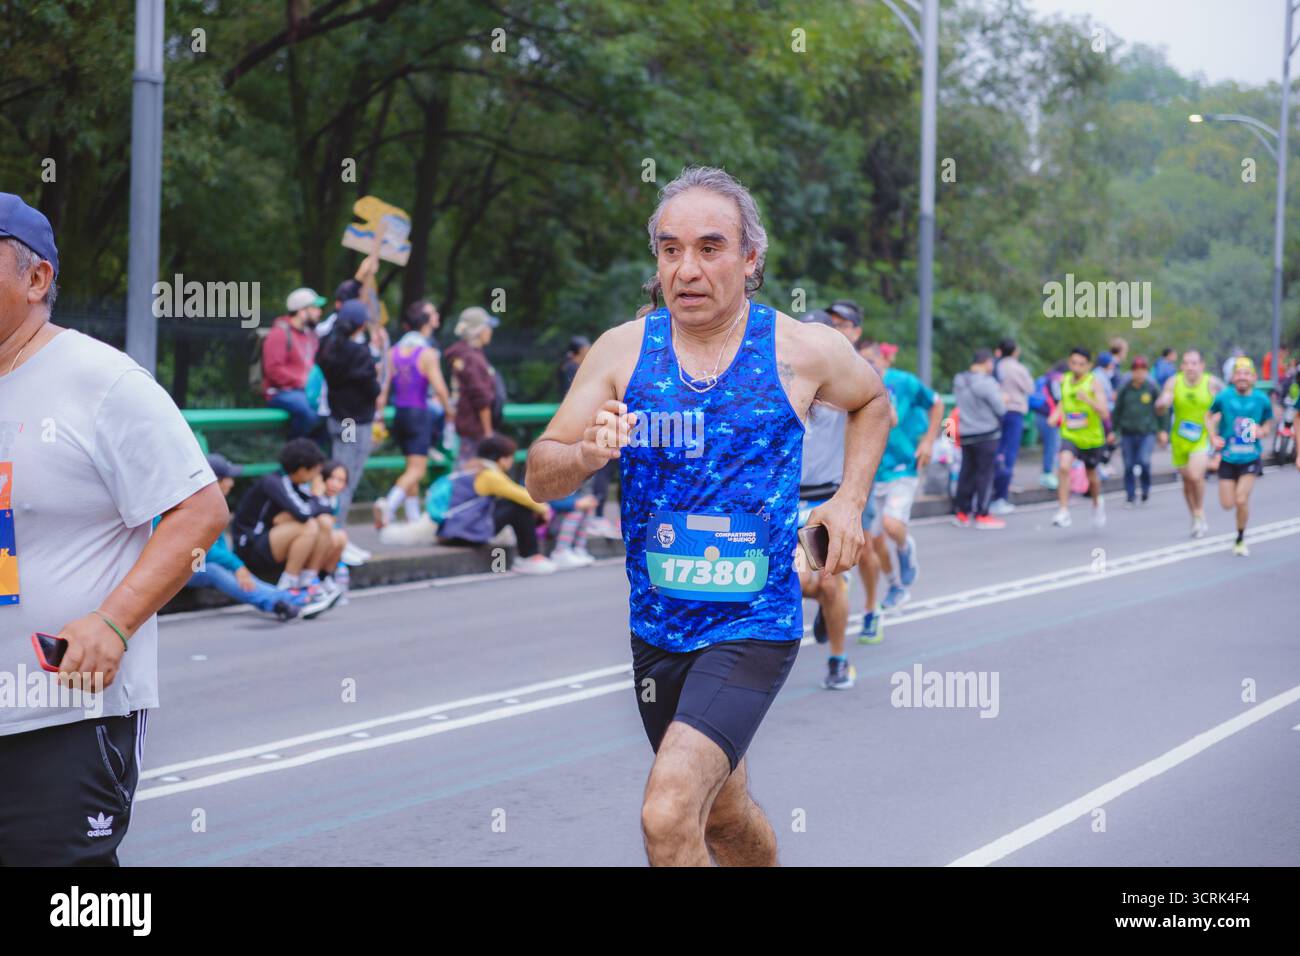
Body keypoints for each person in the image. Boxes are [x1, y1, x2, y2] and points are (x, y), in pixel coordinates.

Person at [524, 166, 889, 866]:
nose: (686, 269)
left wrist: (847, 502)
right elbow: (541, 473)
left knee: (667, 814)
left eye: (709, 248)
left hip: (753, 620)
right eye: (669, 250)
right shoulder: (622, 351)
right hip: (657, 627)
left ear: (751, 259)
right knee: (721, 817)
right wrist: (587, 456)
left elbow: (873, 402)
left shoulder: (799, 349)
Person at [0, 193, 229, 864]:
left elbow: (200, 510)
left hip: (61, 714)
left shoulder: (99, 382)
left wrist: (115, 621)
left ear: (37, 279)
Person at [798, 310, 859, 686]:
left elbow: (882, 411)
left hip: (824, 503)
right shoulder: (780, 385)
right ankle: (827, 604)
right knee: (804, 585)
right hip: (782, 503)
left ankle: (838, 660)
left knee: (828, 583)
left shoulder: (844, 386)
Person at [181, 454, 310, 620]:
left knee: (224, 569)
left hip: (194, 562)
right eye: (228, 478)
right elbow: (204, 551)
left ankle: (286, 598)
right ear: (215, 482)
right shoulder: (193, 508)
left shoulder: (212, 506)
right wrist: (236, 566)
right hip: (178, 567)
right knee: (213, 570)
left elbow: (217, 547)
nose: (232, 483)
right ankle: (278, 602)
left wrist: (235, 566)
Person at [867, 339, 942, 610]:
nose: (868, 366)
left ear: (884, 360)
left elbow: (936, 403)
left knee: (891, 524)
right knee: (872, 541)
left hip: (902, 464)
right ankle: (895, 585)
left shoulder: (904, 382)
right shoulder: (853, 382)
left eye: (872, 361)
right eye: (862, 360)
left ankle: (904, 548)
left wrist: (928, 441)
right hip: (870, 471)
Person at [230, 438, 344, 611]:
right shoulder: (275, 481)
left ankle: (311, 582)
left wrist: (313, 503)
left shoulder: (296, 484)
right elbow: (304, 513)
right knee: (309, 527)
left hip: (271, 542)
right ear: (302, 469)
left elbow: (324, 510)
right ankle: (288, 588)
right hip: (250, 548)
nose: (316, 477)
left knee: (331, 530)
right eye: (315, 471)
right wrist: (317, 496)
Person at [375, 300, 452, 528]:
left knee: (411, 466)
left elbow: (383, 387)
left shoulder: (393, 351)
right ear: (426, 321)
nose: (437, 315)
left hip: (400, 414)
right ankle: (388, 506)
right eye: (433, 313)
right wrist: (449, 412)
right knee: (417, 470)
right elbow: (440, 389)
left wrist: (379, 415)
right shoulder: (427, 353)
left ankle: (413, 517)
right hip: (420, 414)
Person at [437, 434, 557, 574]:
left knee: (510, 504)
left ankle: (529, 557)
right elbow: (521, 495)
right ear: (502, 459)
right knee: (517, 507)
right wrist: (544, 509)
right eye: (510, 456)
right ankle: (529, 557)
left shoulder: (472, 468)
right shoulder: (490, 475)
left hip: (454, 529)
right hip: (465, 532)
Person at [317, 299, 382, 520]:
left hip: (337, 418)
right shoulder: (359, 353)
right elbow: (373, 389)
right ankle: (336, 530)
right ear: (362, 326)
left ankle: (336, 530)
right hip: (354, 423)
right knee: (345, 478)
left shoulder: (326, 346)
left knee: (337, 475)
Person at [1155, 348, 1224, 538]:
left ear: (1201, 365)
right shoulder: (1174, 382)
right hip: (1180, 439)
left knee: (1195, 476)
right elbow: (1160, 408)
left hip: (1202, 437)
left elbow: (1228, 403)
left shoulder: (1212, 383)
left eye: (1194, 363)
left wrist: (1215, 419)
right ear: (1182, 366)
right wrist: (1162, 403)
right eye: (1186, 363)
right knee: (1187, 482)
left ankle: (1200, 510)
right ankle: (1194, 515)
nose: (1190, 367)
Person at [1208, 357, 1273, 556]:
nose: (1242, 377)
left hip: (1250, 458)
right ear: (1233, 377)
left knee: (1241, 499)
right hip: (1228, 457)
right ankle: (1239, 528)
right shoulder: (1224, 396)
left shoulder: (1261, 399)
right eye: (1238, 373)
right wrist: (1213, 436)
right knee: (1228, 504)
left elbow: (1268, 423)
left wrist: (1261, 431)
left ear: (1253, 378)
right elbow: (1208, 415)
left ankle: (1240, 538)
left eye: (1246, 374)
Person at [1049, 347, 1110, 529]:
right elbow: (1064, 402)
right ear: (1069, 363)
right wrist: (1055, 414)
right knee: (1064, 466)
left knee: (1092, 476)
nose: (1077, 367)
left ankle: (1097, 503)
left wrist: (1088, 400)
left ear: (1088, 366)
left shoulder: (1094, 383)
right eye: (1074, 363)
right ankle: (1064, 510)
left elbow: (1105, 412)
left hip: (1091, 438)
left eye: (1081, 364)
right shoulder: (1065, 380)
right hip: (1070, 434)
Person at [951, 349, 1006, 529]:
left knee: (966, 473)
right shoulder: (987, 383)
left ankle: (962, 512)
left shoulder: (959, 380)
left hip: (966, 432)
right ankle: (982, 514)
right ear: (987, 362)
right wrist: (1004, 399)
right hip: (986, 433)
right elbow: (1000, 409)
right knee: (985, 474)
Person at [264, 287, 325, 438]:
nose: (319, 312)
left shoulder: (310, 335)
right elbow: (273, 370)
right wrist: (302, 381)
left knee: (328, 413)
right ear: (301, 310)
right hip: (282, 393)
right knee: (306, 411)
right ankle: (294, 453)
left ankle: (314, 457)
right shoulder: (279, 333)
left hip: (307, 392)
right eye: (315, 308)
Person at [446, 306, 502, 465]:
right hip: (475, 427)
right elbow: (481, 396)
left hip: (464, 423)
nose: (490, 331)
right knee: (470, 475)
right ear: (478, 330)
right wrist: (488, 432)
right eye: (488, 327)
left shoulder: (462, 355)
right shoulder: (472, 358)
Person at [1112, 356, 1168, 506]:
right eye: (1136, 371)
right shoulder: (1125, 389)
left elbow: (1161, 410)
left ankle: (1145, 489)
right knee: (1129, 465)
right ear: (1132, 372)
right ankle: (1130, 495)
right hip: (1127, 432)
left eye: (1142, 371)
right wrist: (1114, 430)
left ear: (1146, 371)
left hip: (1147, 432)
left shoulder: (1151, 388)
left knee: (1144, 461)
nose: (1139, 374)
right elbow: (1117, 411)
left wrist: (1162, 430)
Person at [989, 337, 1033, 516]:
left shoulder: (995, 366)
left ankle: (991, 493)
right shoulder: (1018, 368)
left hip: (996, 413)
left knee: (996, 451)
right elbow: (1030, 388)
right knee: (1008, 454)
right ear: (1015, 351)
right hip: (1014, 412)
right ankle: (1001, 496)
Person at [1030, 361, 1065, 490]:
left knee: (1049, 445)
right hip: (1049, 416)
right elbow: (1058, 398)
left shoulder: (1045, 378)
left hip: (1039, 414)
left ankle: (1047, 474)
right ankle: (1047, 474)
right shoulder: (1056, 380)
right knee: (1052, 445)